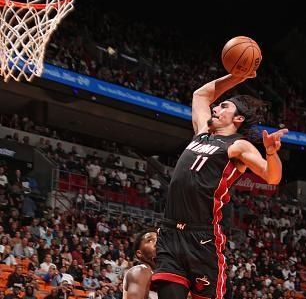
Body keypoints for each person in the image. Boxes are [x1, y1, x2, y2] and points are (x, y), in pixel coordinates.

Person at [151, 68, 288, 299]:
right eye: (218, 105)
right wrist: (239, 76)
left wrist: (272, 153)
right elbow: (201, 95)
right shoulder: (202, 133)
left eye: (224, 106)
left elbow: (272, 177)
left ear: (239, 119)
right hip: (170, 233)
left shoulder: (239, 145)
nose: (216, 108)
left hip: (203, 238)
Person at [123, 230, 157, 299]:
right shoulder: (139, 271)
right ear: (139, 253)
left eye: (158, 239)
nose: (156, 242)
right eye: (150, 240)